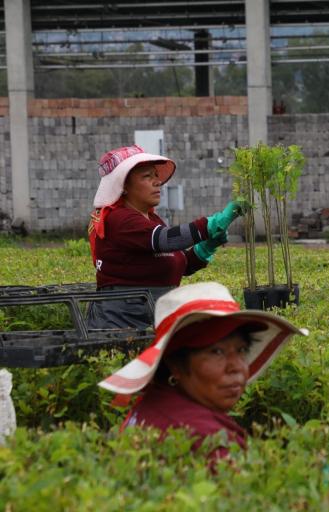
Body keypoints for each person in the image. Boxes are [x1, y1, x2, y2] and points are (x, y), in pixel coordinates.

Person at [98, 282, 306, 461]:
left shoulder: (157, 402)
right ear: (175, 364)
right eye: (216, 352)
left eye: (242, 350)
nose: (237, 367)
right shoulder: (207, 439)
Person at [87, 144, 244, 329]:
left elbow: (178, 262)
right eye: (147, 177)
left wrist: (206, 248)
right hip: (121, 324)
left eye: (156, 176)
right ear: (124, 187)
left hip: (150, 319)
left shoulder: (152, 219)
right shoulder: (119, 219)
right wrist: (209, 225)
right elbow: (166, 240)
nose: (157, 182)